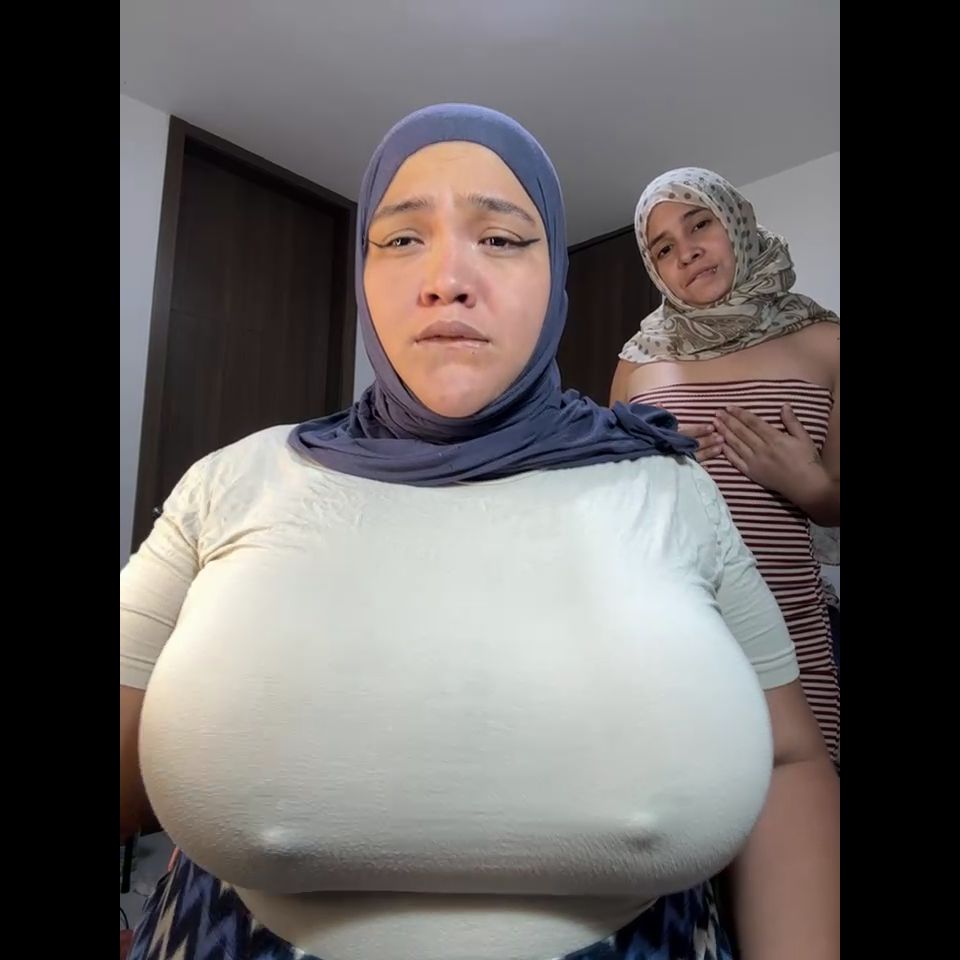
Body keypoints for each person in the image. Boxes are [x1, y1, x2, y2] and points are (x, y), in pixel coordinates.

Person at [121, 107, 839, 960]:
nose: (447, 280)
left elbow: (788, 760)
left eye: (500, 238)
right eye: (401, 239)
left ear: (555, 283)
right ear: (363, 276)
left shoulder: (668, 487)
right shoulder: (229, 482)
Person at [610, 166, 841, 763]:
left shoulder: (827, 341)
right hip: (665, 640)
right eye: (664, 248)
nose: (686, 252)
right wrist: (652, 467)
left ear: (736, 222)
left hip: (790, 635)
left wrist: (811, 487)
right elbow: (612, 503)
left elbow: (837, 503)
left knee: (799, 798)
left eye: (699, 225)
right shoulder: (637, 362)